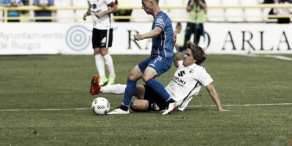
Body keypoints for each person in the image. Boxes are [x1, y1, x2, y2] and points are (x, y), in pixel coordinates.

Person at [90, 41, 227, 113]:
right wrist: (171, 45)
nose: (185, 56)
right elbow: (176, 59)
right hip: (163, 92)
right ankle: (100, 89)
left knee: (134, 105)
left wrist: (220, 108)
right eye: (186, 53)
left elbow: (211, 89)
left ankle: (158, 106)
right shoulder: (183, 65)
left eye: (188, 55)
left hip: (170, 102)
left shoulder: (200, 72)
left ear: (195, 59)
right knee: (132, 87)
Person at [104, 0, 178, 115]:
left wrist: (142, 36)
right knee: (132, 75)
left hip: (163, 57)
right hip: (155, 56)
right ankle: (124, 107)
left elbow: (157, 31)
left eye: (143, 4)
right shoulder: (159, 17)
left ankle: (170, 101)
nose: (142, 7)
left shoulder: (161, 17)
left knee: (147, 77)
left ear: (151, 3)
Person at [83, 0, 118, 86]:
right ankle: (102, 77)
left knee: (104, 51)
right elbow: (92, 8)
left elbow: (114, 8)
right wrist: (86, 13)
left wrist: (103, 13)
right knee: (96, 52)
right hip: (95, 27)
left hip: (105, 27)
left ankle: (112, 75)